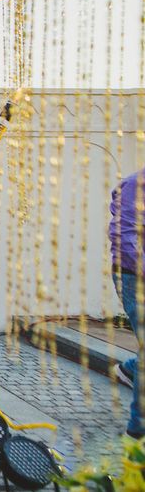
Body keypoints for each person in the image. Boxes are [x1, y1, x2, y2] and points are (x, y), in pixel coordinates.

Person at [109, 167, 145, 437]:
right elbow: (124, 238)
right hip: (134, 277)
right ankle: (138, 429)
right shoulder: (135, 185)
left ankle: (130, 368)